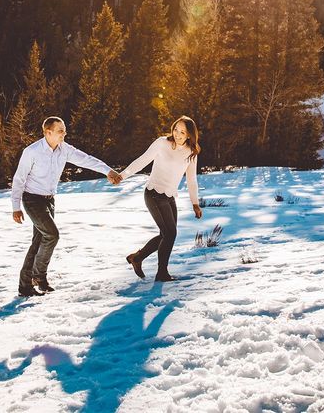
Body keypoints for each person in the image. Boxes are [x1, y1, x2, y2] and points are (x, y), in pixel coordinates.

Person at [12, 116, 120, 297]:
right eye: (60, 130)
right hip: (32, 199)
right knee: (52, 235)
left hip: (49, 200)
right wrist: (16, 206)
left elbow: (86, 159)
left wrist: (107, 170)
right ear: (48, 132)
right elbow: (19, 179)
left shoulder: (64, 149)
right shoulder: (32, 152)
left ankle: (35, 280)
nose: (64, 134)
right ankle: (31, 280)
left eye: (64, 130)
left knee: (40, 240)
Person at [108, 116, 202, 282]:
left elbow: (191, 179)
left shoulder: (191, 152)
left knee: (166, 235)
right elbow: (142, 160)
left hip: (170, 196)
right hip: (153, 193)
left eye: (182, 132)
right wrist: (122, 176)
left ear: (189, 135)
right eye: (175, 129)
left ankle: (137, 258)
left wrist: (195, 203)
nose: (177, 134)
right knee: (170, 233)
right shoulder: (161, 143)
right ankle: (162, 273)